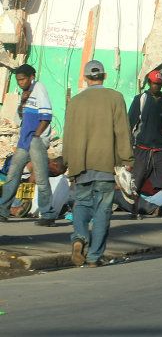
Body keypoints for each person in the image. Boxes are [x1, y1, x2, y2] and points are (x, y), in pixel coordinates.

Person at [62, 60, 133, 267]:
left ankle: (79, 238)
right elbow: (122, 131)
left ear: (85, 78)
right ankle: (94, 257)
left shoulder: (75, 102)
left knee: (82, 204)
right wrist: (127, 159)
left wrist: (67, 160)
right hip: (104, 164)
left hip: (80, 163)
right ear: (105, 76)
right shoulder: (115, 98)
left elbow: (68, 135)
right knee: (102, 210)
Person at [0, 64, 56, 225]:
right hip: (23, 142)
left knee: (41, 178)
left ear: (31, 77)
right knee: (12, 175)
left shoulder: (39, 88)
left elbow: (47, 115)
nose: (20, 82)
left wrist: (37, 136)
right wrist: (21, 103)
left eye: (22, 79)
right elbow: (20, 119)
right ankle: (3, 210)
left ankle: (48, 214)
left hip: (35, 141)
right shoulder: (24, 94)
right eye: (18, 80)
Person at [128, 70, 162, 221]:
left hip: (159, 148)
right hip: (141, 147)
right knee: (137, 180)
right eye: (155, 84)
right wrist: (129, 145)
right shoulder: (141, 99)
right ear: (149, 83)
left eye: (159, 84)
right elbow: (130, 122)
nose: (157, 87)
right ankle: (134, 210)